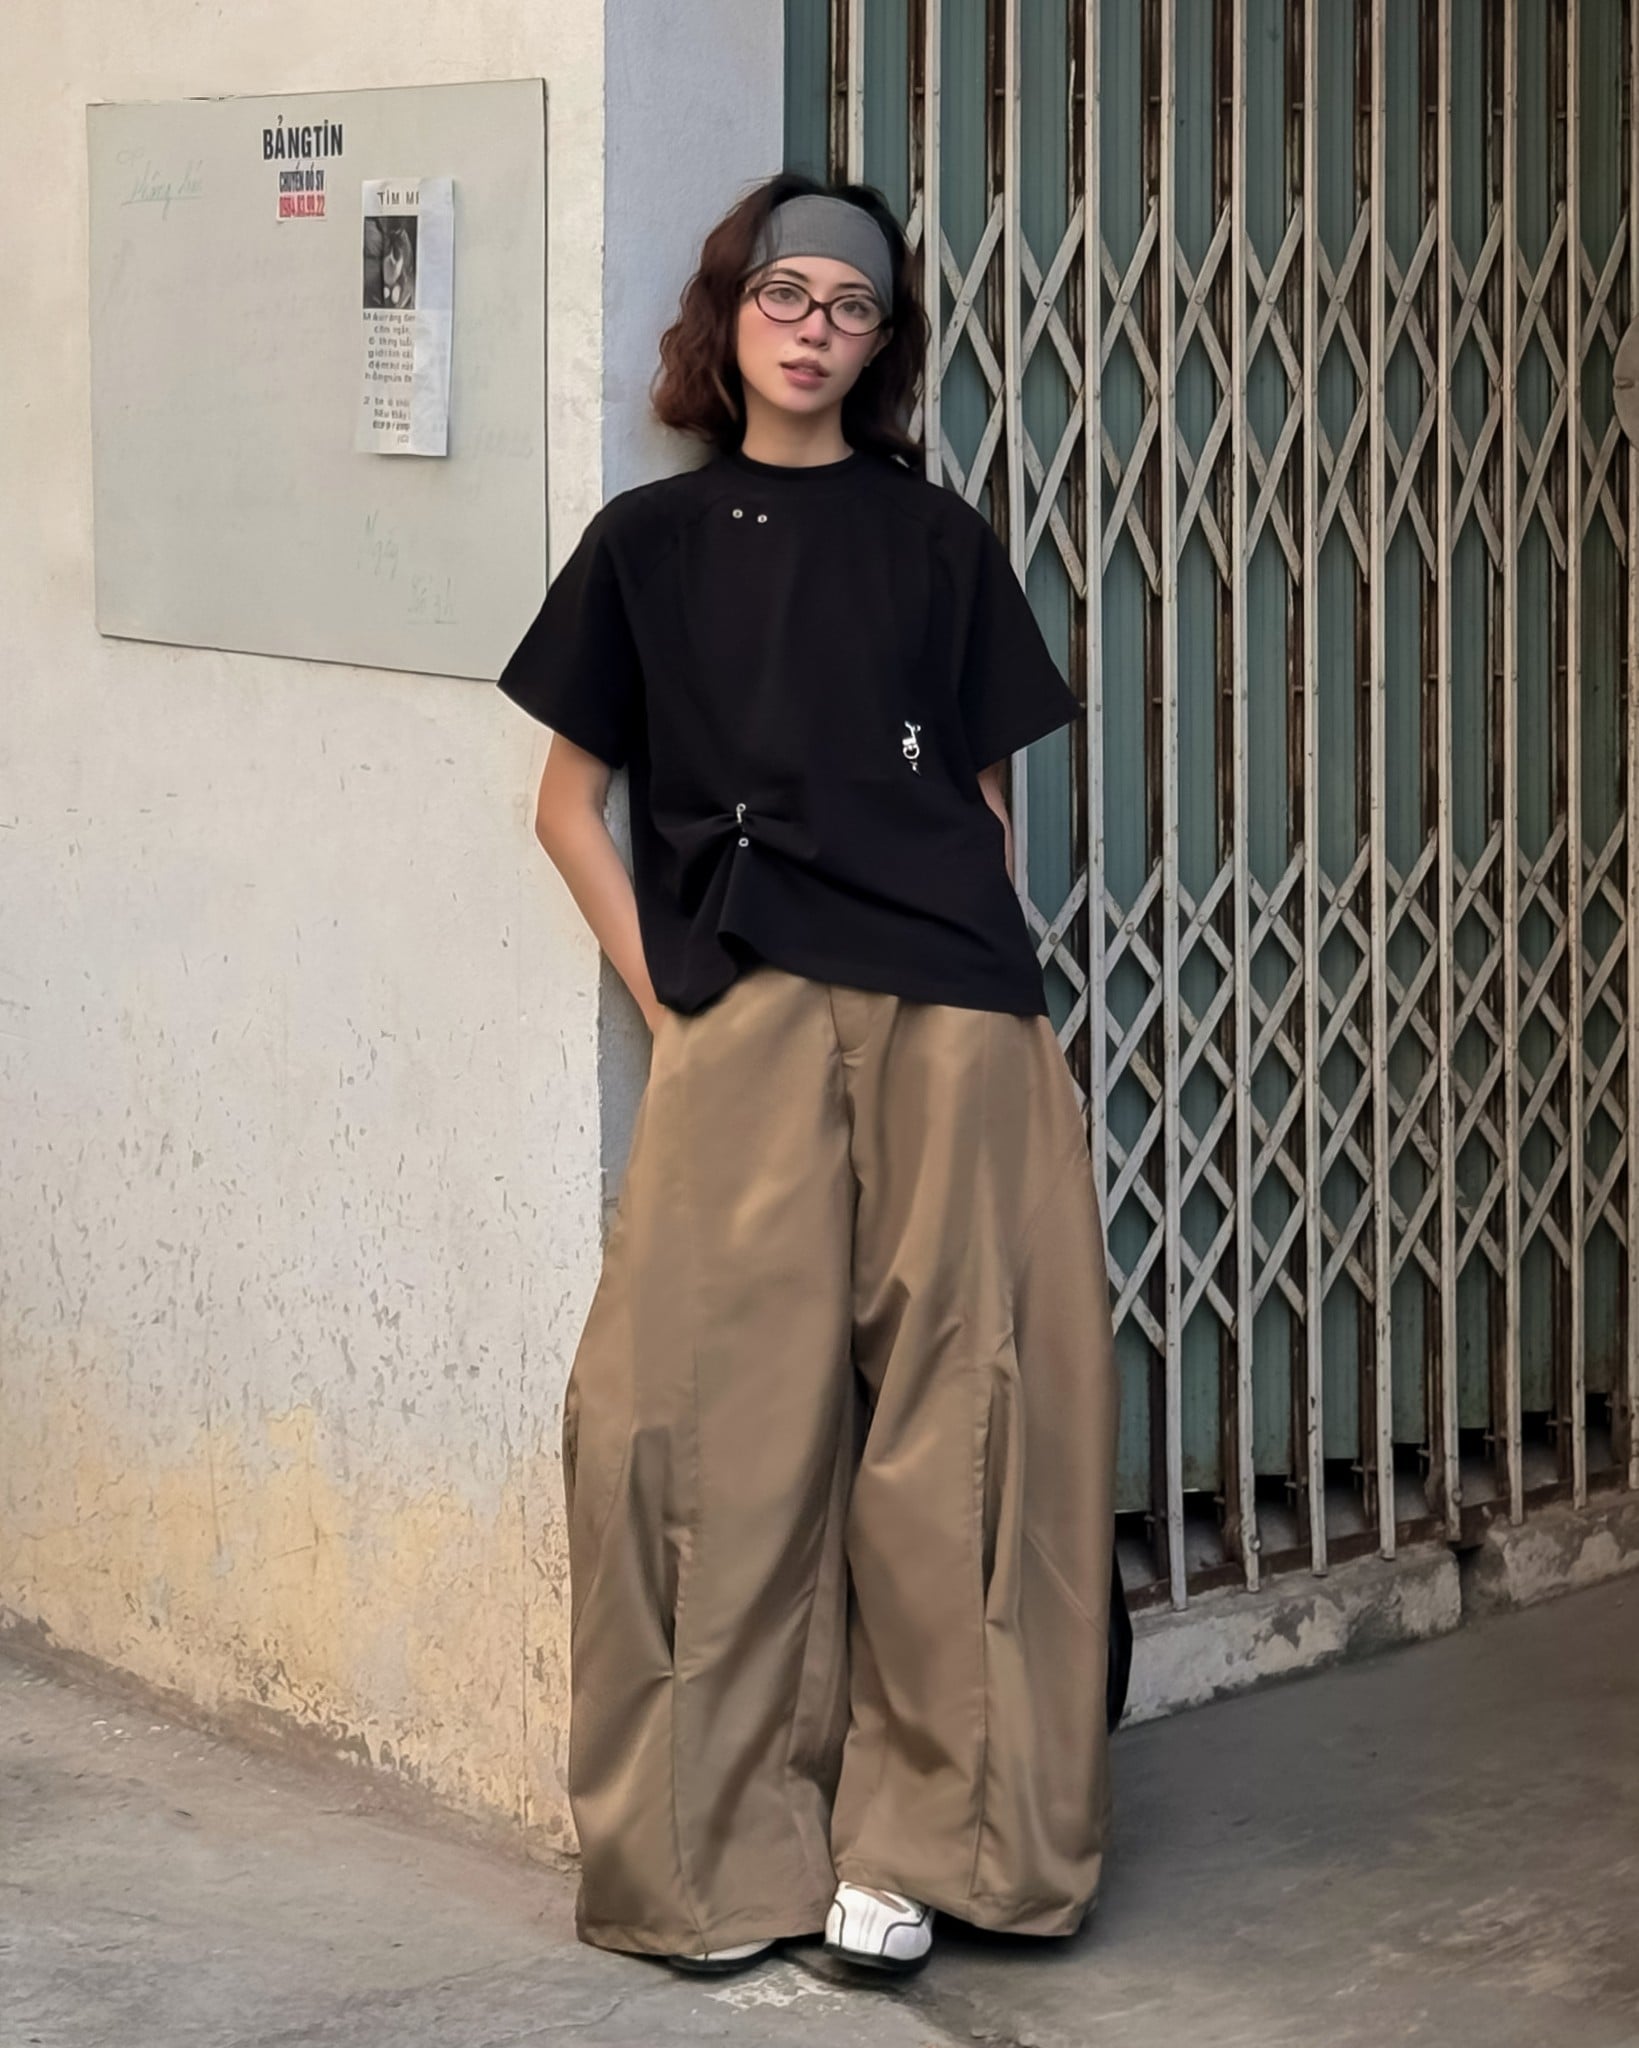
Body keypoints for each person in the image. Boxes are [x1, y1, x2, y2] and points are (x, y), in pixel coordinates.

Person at [495, 171, 1120, 1980]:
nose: (815, 325)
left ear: (881, 341)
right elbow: (566, 807)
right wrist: (673, 1002)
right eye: (786, 291)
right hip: (745, 1009)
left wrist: (995, 993)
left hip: (956, 1014)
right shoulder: (648, 544)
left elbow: (984, 815)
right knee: (696, 1418)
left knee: (971, 1416)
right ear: (731, 310)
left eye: (852, 304)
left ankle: (941, 1846)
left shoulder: (938, 543)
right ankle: (707, 1864)